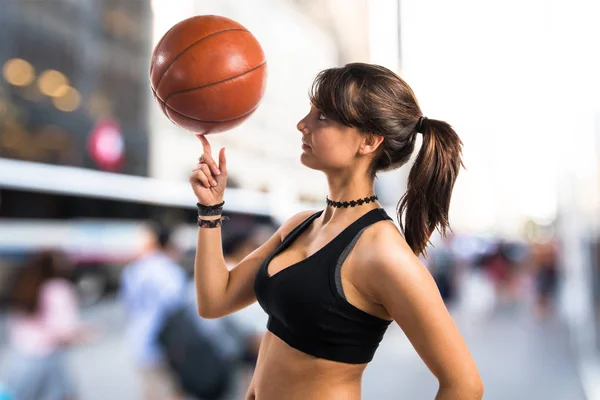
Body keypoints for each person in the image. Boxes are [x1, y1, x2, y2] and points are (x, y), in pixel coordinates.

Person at [190, 63, 484, 399]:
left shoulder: (382, 252)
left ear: (369, 141)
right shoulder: (299, 225)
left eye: (322, 118)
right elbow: (215, 301)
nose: (303, 125)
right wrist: (210, 210)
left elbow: (464, 385)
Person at [4, 250, 91, 400]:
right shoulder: (58, 288)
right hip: (49, 360)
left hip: (22, 360)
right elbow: (65, 330)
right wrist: (85, 334)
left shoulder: (26, 285)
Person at [120, 224, 187, 400]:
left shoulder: (133, 269)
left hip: (139, 339)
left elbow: (128, 303)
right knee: (171, 391)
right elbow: (176, 306)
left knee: (151, 391)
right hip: (164, 344)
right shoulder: (169, 270)